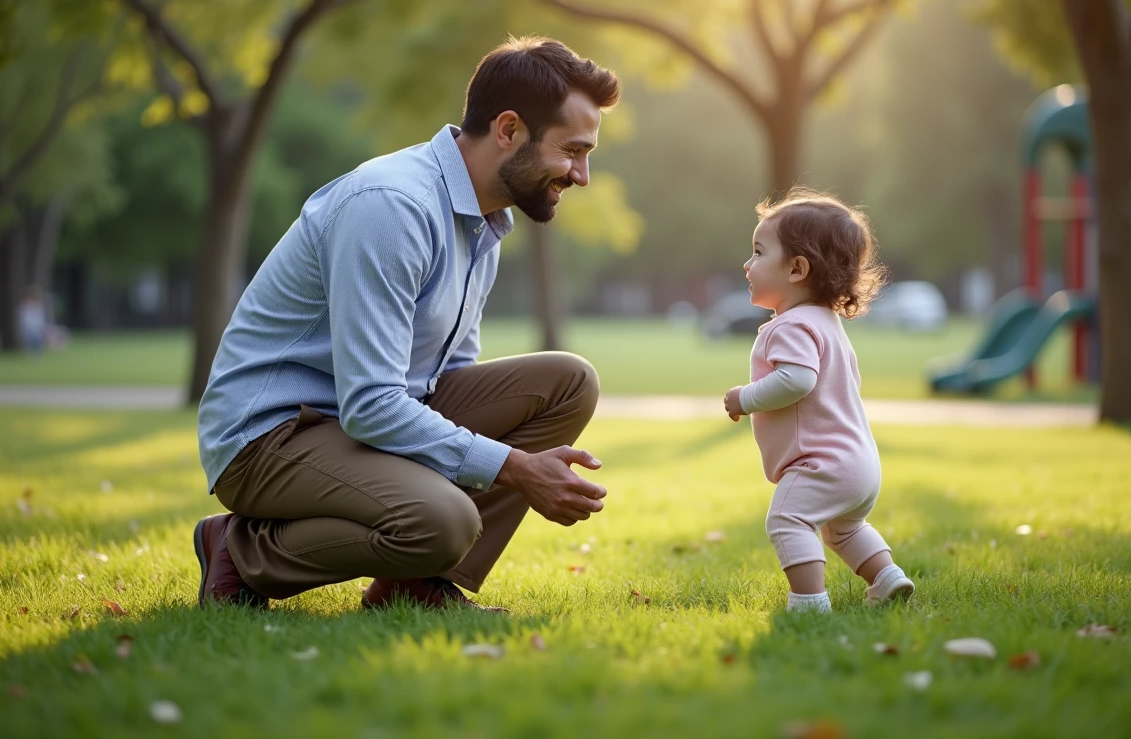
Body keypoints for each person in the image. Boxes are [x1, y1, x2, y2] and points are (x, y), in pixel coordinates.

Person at [194, 37, 620, 612]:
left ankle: (417, 584)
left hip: (352, 421)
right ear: (509, 129)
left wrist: (483, 459)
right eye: (572, 150)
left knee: (568, 382)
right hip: (270, 435)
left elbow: (448, 373)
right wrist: (516, 468)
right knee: (444, 521)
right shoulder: (392, 205)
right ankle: (240, 549)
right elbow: (371, 404)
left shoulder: (484, 219)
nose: (582, 175)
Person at [723, 188, 914, 613]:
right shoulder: (826, 323)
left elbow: (797, 380)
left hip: (821, 462)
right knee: (844, 530)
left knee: (787, 520)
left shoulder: (789, 326)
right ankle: (887, 578)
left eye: (758, 252)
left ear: (797, 269)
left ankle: (809, 604)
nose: (747, 264)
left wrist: (744, 398)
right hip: (859, 463)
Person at [18, 286, 47, 353]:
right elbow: (24, 320)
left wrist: (40, 328)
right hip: (28, 330)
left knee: (37, 346)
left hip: (37, 329)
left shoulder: (39, 306)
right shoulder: (24, 307)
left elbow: (41, 319)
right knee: (30, 346)